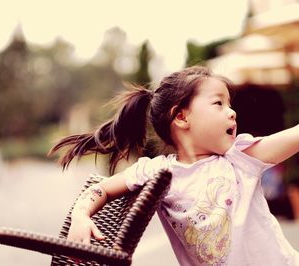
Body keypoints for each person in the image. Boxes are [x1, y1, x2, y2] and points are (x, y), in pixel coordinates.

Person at [48, 66, 299, 265]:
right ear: (181, 116)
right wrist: (81, 215)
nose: (232, 112)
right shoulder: (159, 171)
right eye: (219, 103)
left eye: (230, 104)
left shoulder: (240, 158)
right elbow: (101, 190)